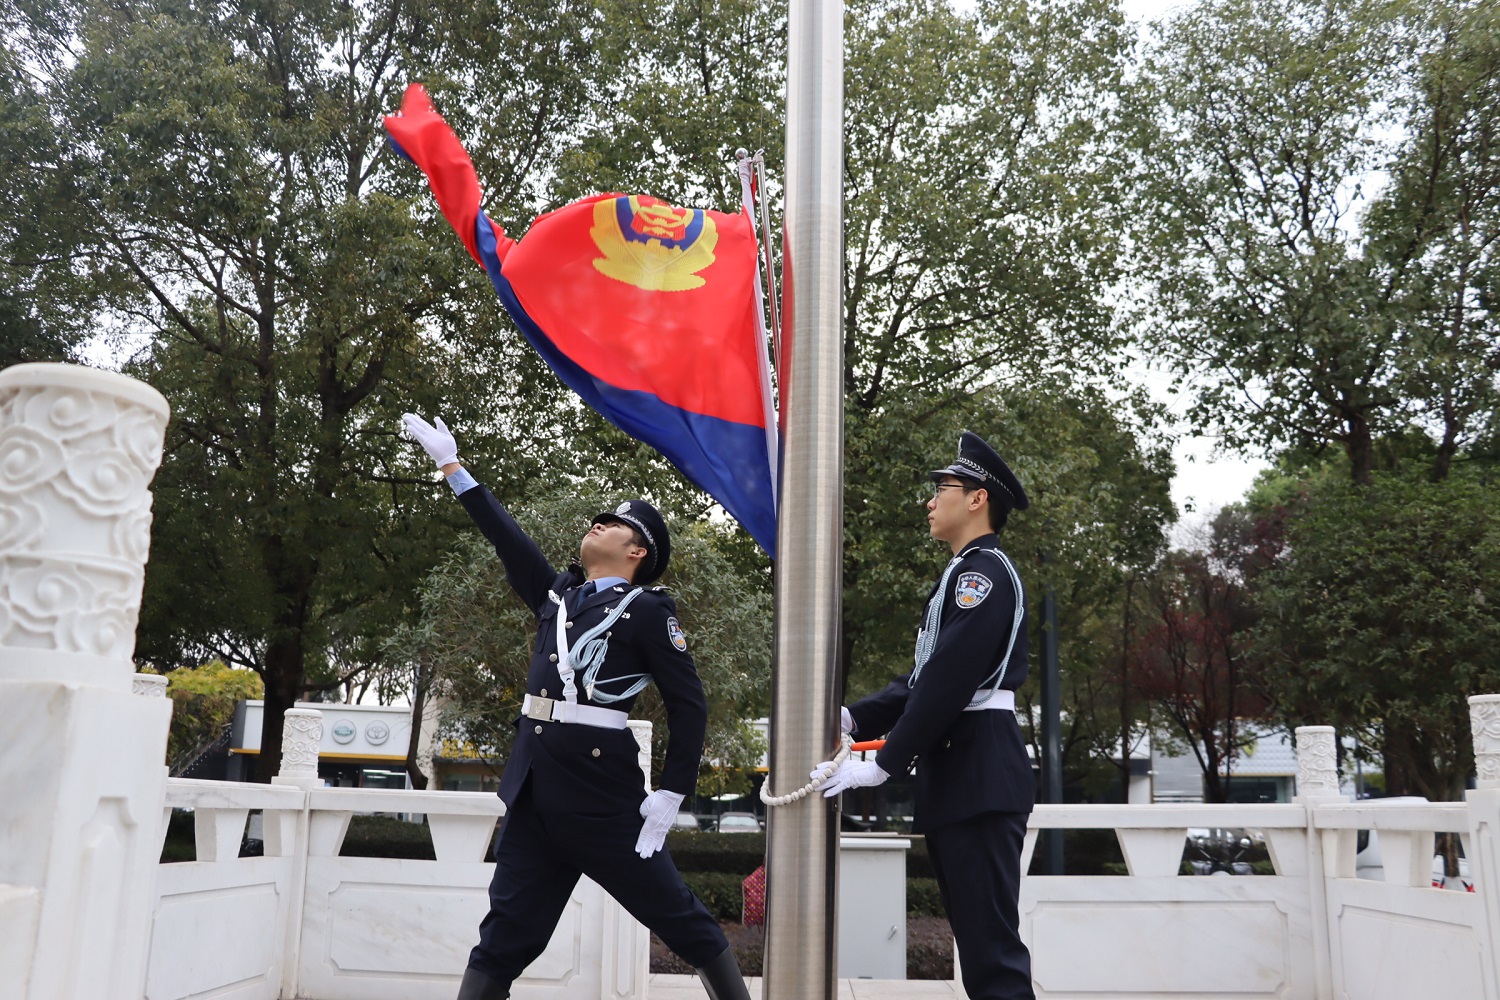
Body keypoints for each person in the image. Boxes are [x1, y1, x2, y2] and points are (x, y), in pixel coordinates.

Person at [401, 413, 751, 1000]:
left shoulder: (647, 611)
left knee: (680, 920)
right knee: (504, 937)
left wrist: (671, 792)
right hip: (535, 792)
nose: (599, 523)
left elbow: (689, 706)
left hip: (602, 800)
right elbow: (510, 543)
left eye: (614, 523)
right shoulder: (560, 596)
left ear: (637, 550)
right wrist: (454, 469)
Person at [819, 430, 1036, 1000]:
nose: (930, 500)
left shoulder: (981, 574)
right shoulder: (963, 572)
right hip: (964, 774)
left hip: (979, 772)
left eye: (944, 487)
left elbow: (948, 681)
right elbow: (921, 681)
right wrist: (850, 719)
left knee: (992, 954)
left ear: (977, 498)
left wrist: (885, 764)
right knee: (980, 948)